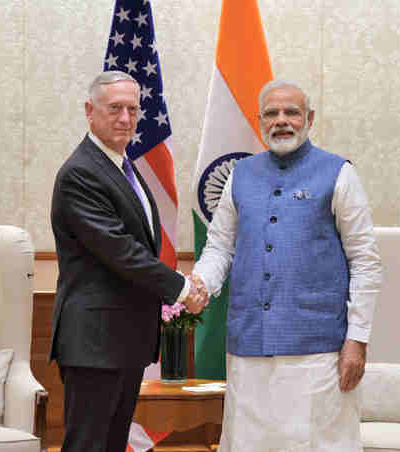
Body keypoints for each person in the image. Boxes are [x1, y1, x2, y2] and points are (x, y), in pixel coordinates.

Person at [191, 80, 383, 451]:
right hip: (248, 351)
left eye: (291, 112)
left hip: (318, 355)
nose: (282, 121)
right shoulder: (240, 175)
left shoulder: (338, 172)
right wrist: (201, 284)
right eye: (272, 113)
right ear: (259, 120)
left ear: (309, 118)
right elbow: (219, 247)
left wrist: (357, 340)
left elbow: (366, 261)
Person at [49, 70, 207, 452]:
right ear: (90, 111)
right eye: (114, 108)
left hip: (123, 340)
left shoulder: (121, 164)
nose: (125, 119)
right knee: (88, 444)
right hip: (94, 341)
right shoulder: (81, 173)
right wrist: (183, 288)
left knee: (111, 444)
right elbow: (120, 250)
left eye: (132, 110)